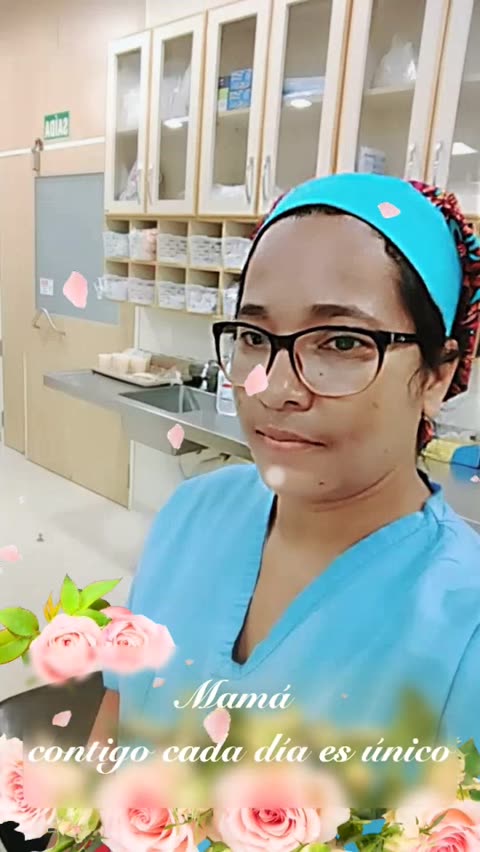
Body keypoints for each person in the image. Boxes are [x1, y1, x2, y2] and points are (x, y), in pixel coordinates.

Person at [96, 173, 480, 763]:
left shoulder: (463, 621)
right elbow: (119, 710)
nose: (275, 390)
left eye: (342, 342)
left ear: (438, 374)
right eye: (254, 336)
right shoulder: (190, 513)